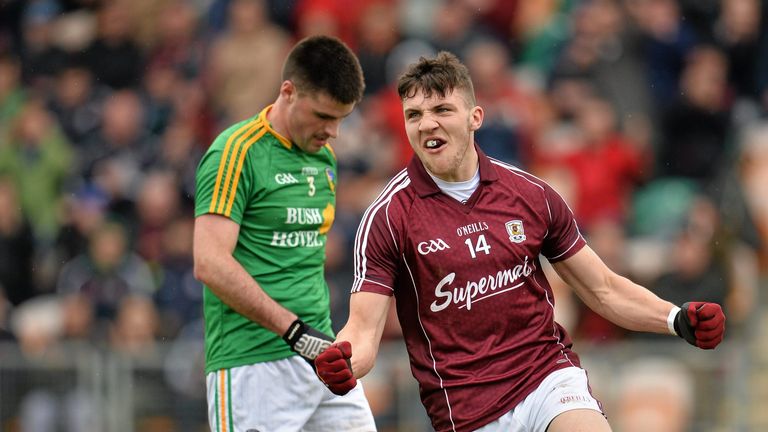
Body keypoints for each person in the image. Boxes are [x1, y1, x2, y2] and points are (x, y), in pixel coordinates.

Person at [314, 52, 726, 432]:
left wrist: (676, 319)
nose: (427, 124)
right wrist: (346, 361)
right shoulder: (387, 216)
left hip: (545, 376)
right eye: (414, 115)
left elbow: (602, 288)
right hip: (465, 407)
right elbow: (363, 331)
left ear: (476, 116)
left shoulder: (530, 194)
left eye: (442, 110)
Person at [193, 35, 376, 432]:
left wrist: (315, 342)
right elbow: (209, 262)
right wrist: (293, 331)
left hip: (319, 358)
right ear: (288, 92)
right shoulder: (235, 152)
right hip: (251, 365)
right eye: (324, 116)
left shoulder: (324, 157)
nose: (334, 132)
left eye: (341, 118)